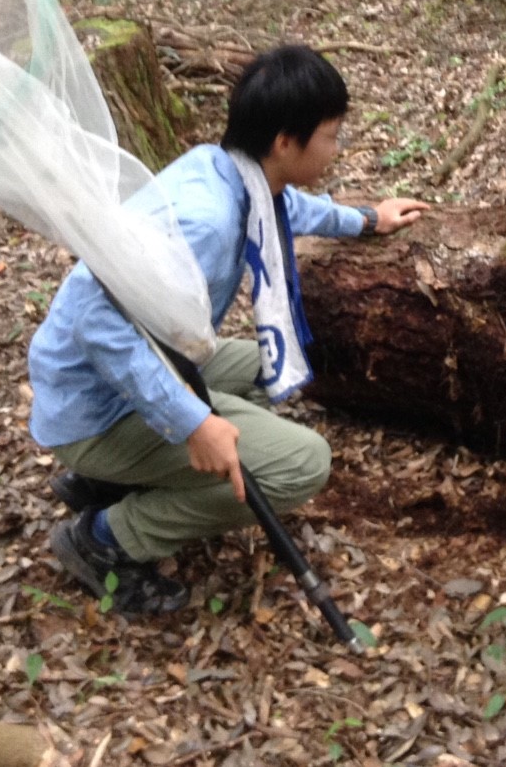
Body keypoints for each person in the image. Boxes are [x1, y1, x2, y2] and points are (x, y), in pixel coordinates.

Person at [29, 44, 429, 614]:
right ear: (286, 142)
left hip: (144, 368)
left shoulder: (223, 168)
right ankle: (105, 539)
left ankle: (116, 480)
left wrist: (365, 218)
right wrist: (193, 422)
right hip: (97, 409)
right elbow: (97, 318)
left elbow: (282, 209)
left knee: (276, 364)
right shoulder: (207, 220)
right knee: (302, 464)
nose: (338, 148)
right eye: (332, 135)